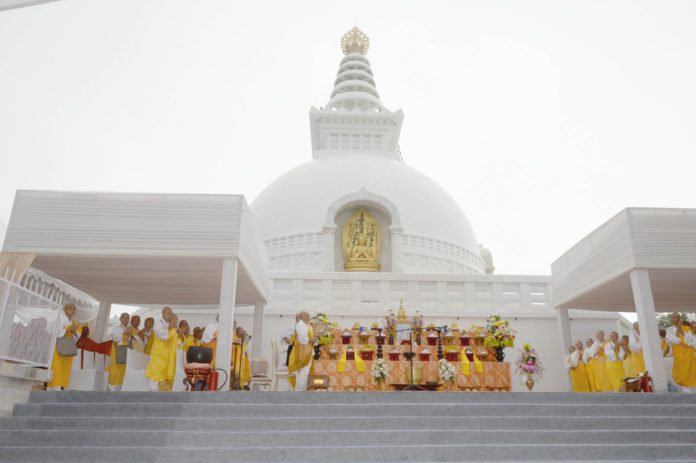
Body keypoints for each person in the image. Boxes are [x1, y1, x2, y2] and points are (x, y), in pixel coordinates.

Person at [47, 303, 83, 390]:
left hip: (68, 347)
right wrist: (69, 329)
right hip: (59, 346)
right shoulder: (60, 318)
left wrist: (73, 330)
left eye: (73, 309)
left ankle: (61, 386)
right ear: (65, 309)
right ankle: (53, 387)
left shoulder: (74, 323)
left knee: (65, 368)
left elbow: (76, 336)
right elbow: (57, 332)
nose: (72, 310)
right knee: (56, 367)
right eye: (70, 308)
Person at [144, 307, 175, 391]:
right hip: (158, 354)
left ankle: (158, 393)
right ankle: (153, 393)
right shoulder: (158, 323)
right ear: (163, 314)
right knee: (155, 373)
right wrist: (170, 329)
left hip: (165, 354)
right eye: (168, 313)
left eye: (170, 313)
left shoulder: (169, 325)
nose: (169, 315)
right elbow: (162, 335)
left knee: (162, 374)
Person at [666, 313, 693, 392]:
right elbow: (674, 341)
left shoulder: (687, 328)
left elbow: (691, 340)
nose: (673, 319)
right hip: (679, 356)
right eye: (672, 317)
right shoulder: (669, 330)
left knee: (690, 373)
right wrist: (679, 330)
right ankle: (685, 392)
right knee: (681, 374)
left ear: (679, 318)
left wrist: (682, 331)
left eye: (675, 317)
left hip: (689, 356)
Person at [288, 311, 313, 391]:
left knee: (303, 375)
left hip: (306, 352)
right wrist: (311, 340)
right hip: (304, 353)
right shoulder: (301, 325)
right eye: (308, 316)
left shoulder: (303, 325)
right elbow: (302, 340)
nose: (309, 318)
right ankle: (300, 394)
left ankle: (299, 393)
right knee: (303, 375)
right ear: (304, 317)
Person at [107, 312, 130, 391]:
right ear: (120, 319)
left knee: (123, 369)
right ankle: (112, 386)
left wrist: (130, 335)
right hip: (117, 351)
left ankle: (121, 387)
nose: (125, 319)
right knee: (115, 368)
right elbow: (115, 338)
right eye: (123, 317)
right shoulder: (117, 328)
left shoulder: (130, 329)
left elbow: (133, 340)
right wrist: (124, 333)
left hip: (126, 351)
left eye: (127, 317)